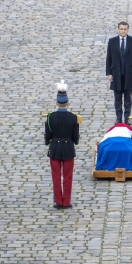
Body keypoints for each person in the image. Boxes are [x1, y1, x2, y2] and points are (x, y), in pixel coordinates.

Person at [45, 80, 80, 209]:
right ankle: (66, 201)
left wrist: (48, 141)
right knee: (67, 176)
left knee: (55, 176)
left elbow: (48, 135)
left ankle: (58, 201)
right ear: (68, 103)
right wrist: (74, 142)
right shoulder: (73, 117)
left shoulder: (50, 117)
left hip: (54, 148)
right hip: (68, 148)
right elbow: (75, 137)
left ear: (56, 103)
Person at [106, 21, 132, 124]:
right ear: (118, 29)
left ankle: (127, 118)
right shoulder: (112, 41)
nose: (123, 31)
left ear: (128, 29)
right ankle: (118, 118)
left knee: (128, 98)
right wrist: (109, 73)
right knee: (117, 98)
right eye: (121, 29)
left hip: (129, 73)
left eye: (125, 29)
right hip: (116, 73)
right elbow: (109, 58)